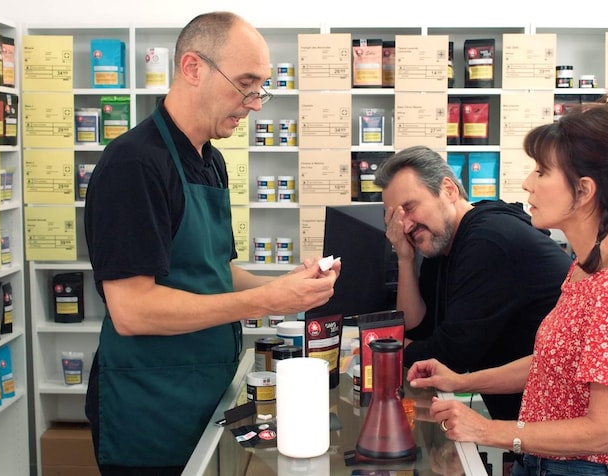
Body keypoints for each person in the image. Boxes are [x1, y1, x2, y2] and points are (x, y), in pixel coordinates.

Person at [83, 12, 340, 475]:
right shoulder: (135, 166)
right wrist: (264, 300)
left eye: (261, 87)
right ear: (192, 68)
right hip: (152, 405)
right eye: (245, 84)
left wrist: (284, 286)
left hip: (206, 388)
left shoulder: (210, 160)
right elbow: (132, 309)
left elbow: (213, 271)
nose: (255, 103)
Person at [407, 93, 608, 476]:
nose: (527, 184)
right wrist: (461, 380)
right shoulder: (586, 267)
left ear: (584, 191)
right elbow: (553, 365)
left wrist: (489, 430)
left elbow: (604, 432)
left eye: (542, 172)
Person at [373, 145, 572, 421]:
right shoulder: (443, 242)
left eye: (409, 208)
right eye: (395, 216)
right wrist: (405, 259)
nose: (404, 225)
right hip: (531, 427)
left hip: (564, 431)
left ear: (449, 190)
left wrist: (385, 347)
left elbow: (449, 354)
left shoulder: (488, 240)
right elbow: (421, 330)